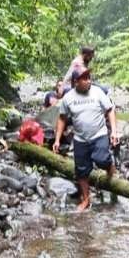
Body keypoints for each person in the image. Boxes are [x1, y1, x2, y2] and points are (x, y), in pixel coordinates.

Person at [53, 67, 118, 211]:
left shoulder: (97, 92)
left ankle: (111, 171)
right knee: (81, 172)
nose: (89, 81)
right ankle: (86, 199)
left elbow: (110, 109)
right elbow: (62, 118)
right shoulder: (68, 98)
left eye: (89, 77)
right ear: (76, 82)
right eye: (85, 78)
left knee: (102, 159)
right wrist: (57, 140)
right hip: (80, 139)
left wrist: (113, 131)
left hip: (99, 135)